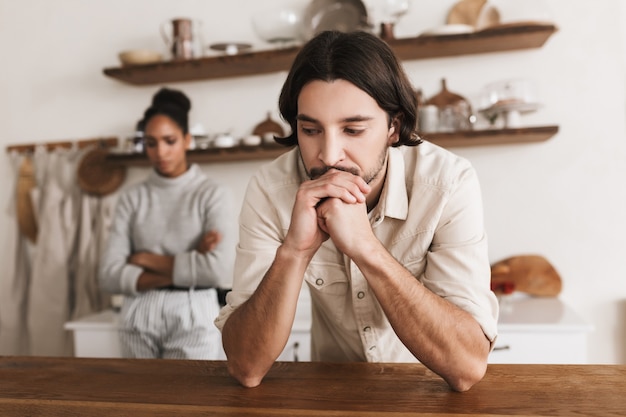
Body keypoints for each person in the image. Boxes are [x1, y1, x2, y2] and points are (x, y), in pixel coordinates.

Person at [215, 30, 499, 391]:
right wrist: (294, 252)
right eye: (310, 129)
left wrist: (366, 249)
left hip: (428, 394)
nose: (329, 155)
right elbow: (246, 368)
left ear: (393, 127)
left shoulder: (448, 182)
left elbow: (467, 367)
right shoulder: (271, 190)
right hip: (331, 395)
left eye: (352, 129)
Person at [99, 87, 236, 359]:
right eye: (151, 143)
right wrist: (193, 258)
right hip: (137, 310)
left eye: (169, 140)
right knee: (140, 401)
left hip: (194, 306)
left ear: (186, 140)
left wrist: (145, 258)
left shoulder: (212, 194)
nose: (160, 151)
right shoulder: (132, 197)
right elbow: (108, 275)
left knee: (189, 400)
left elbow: (217, 271)